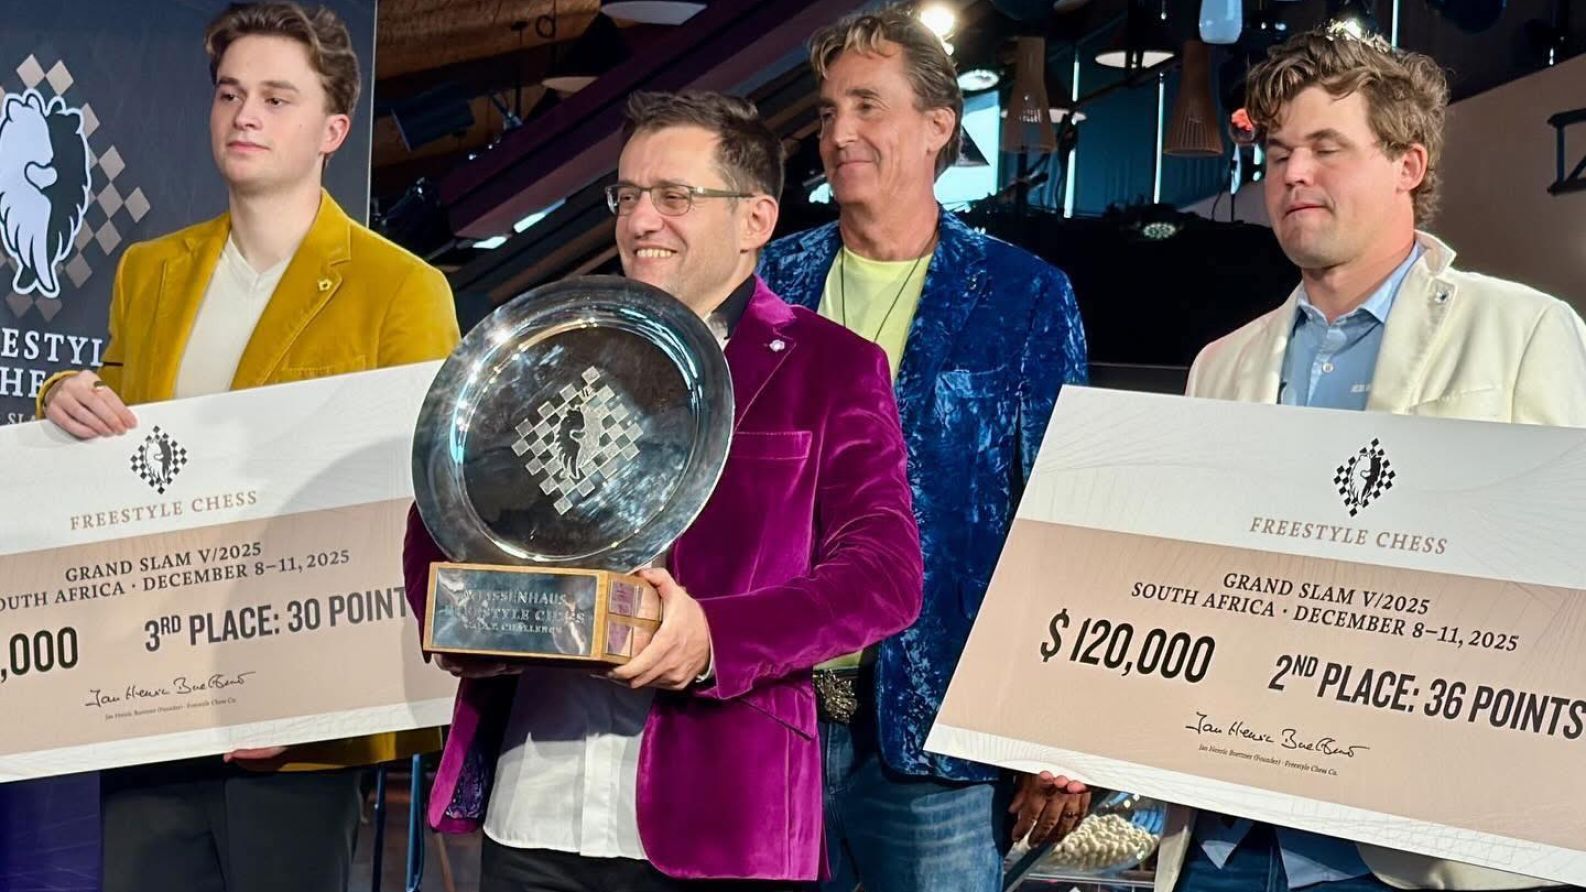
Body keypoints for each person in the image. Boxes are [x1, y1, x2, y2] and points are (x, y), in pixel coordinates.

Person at [403, 90, 924, 891]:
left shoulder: (831, 367)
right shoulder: (552, 347)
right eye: (628, 195)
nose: (641, 220)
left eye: (675, 196)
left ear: (755, 219)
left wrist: (715, 639)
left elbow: (884, 577)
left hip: (722, 824)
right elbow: (445, 513)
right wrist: (470, 623)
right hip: (533, 804)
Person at [37, 3, 460, 890]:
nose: (245, 116)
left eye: (275, 97)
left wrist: (301, 697)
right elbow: (112, 427)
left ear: (332, 131)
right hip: (148, 702)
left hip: (297, 731)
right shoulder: (149, 270)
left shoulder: (402, 289)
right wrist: (63, 394)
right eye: (230, 94)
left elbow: (416, 507)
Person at [1168, 25, 1586, 892]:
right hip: (1226, 839)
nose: (1294, 174)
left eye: (1327, 148)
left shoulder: (1523, 333)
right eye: (1278, 154)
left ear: (1408, 165)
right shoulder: (1220, 364)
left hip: (1406, 846)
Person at [757, 7, 1092, 891]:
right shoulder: (768, 283)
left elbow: (1061, 518)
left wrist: (1058, 731)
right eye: (829, 112)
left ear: (939, 125)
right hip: (772, 718)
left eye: (868, 105)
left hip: (937, 732)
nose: (841, 132)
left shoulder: (1023, 295)